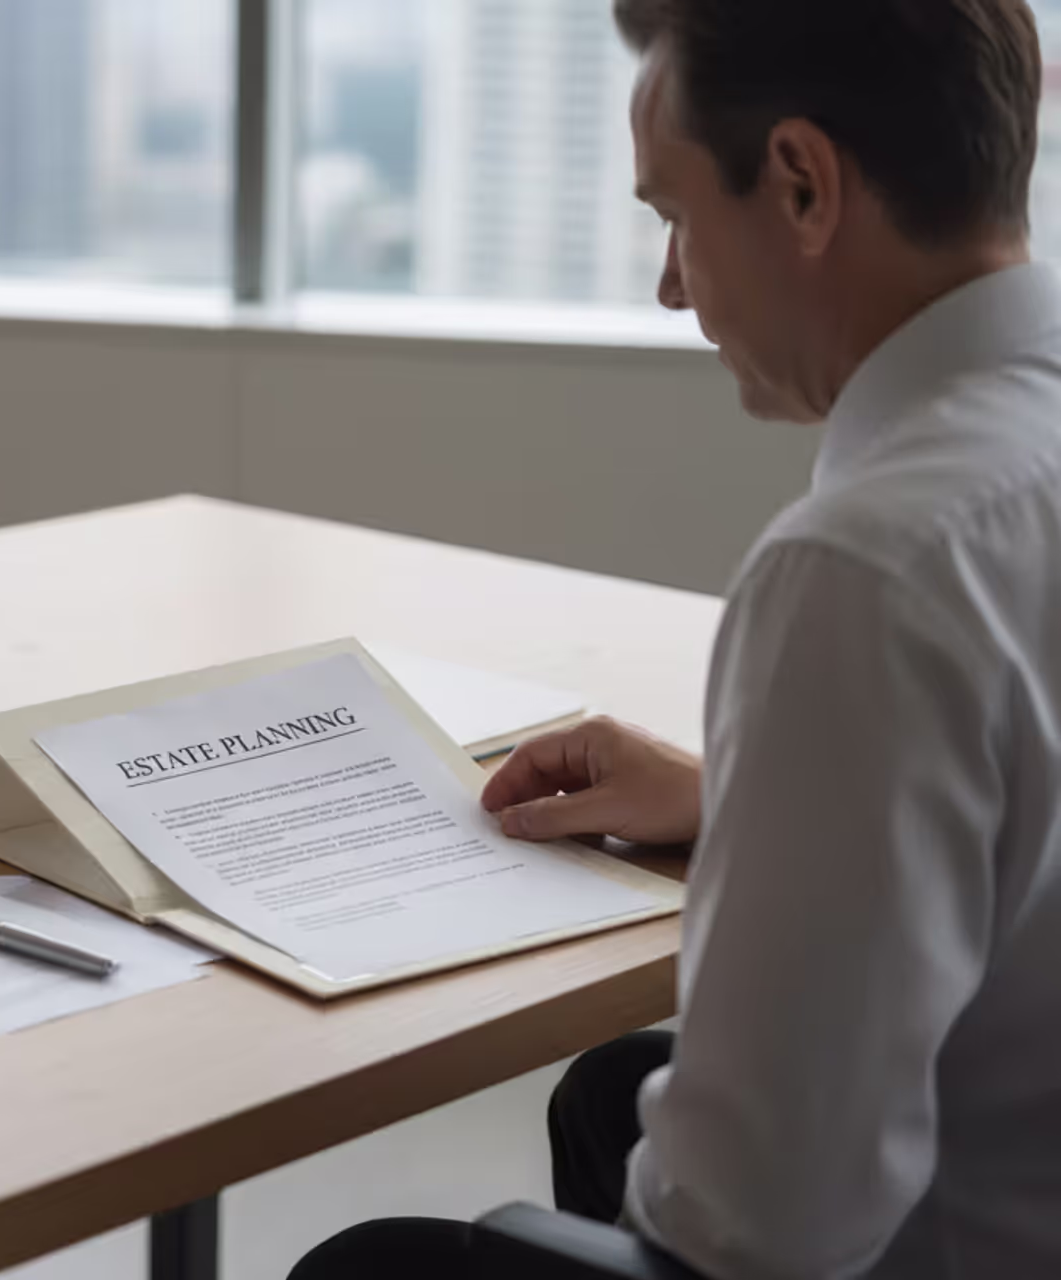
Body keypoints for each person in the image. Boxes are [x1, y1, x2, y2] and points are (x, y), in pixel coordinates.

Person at [290, 1, 1061, 1277]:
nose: (668, 286)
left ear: (804, 184)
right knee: (609, 1094)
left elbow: (757, 1228)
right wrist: (739, 803)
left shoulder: (871, 566)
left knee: (371, 1263)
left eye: (674, 216)